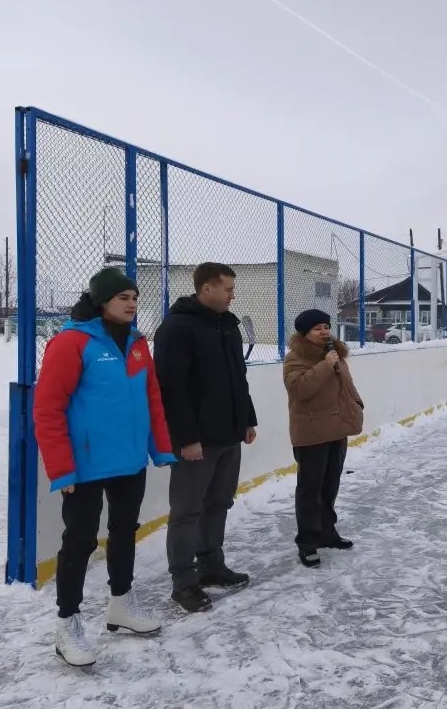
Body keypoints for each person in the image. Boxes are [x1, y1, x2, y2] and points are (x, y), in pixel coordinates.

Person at [33, 267, 176, 668]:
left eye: (133, 297)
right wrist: (62, 469)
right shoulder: (72, 342)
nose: (131, 304)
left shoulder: (136, 344)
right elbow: (47, 409)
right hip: (86, 466)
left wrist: (160, 449)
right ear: (101, 302)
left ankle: (121, 603)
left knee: (125, 532)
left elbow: (152, 400)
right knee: (79, 541)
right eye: (122, 298)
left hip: (129, 462)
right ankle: (68, 623)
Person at [154, 262, 258, 613]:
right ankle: (183, 581)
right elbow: (172, 389)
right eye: (227, 288)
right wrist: (186, 438)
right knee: (186, 511)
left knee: (219, 503)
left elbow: (238, 378)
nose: (233, 295)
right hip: (196, 441)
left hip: (229, 435)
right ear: (206, 288)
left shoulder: (227, 327)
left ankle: (211, 564)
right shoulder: (177, 328)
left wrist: (247, 419)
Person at [283, 309, 365, 568]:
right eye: (317, 328)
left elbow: (346, 385)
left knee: (330, 486)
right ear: (305, 332)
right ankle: (307, 542)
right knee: (310, 491)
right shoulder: (296, 358)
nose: (324, 331)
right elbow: (300, 389)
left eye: (326, 326)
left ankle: (327, 532)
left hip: (336, 430)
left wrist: (356, 403)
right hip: (312, 434)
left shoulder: (334, 355)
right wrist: (325, 365)